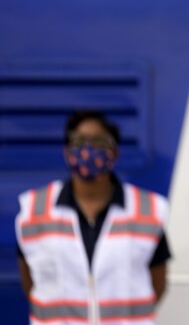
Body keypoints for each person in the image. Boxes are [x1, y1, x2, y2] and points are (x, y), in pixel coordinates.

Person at [15, 110, 171, 324]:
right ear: (67, 151)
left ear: (114, 153)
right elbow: (29, 282)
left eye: (99, 142)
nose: (88, 150)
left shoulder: (149, 210)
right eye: (79, 141)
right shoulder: (33, 211)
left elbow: (158, 283)